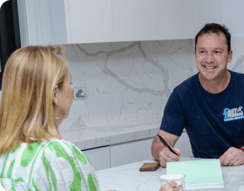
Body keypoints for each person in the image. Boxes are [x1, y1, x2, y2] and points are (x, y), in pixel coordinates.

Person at [0, 46, 177, 191]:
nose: (71, 90)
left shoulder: (7, 151)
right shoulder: (57, 154)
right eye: (69, 83)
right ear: (54, 94)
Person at [151, 23, 244, 168]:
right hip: (206, 174)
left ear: (229, 56)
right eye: (202, 52)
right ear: (195, 55)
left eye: (217, 52)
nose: (209, 59)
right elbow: (160, 142)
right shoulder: (182, 94)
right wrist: (162, 153)